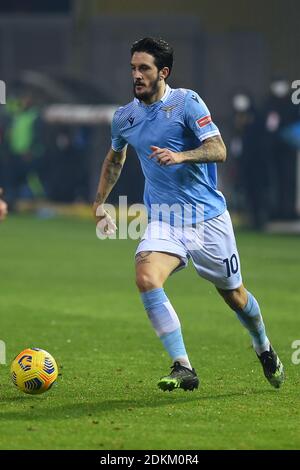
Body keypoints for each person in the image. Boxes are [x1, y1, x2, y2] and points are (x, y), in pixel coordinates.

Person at [93, 37, 284, 392]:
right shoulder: (124, 117)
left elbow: (219, 149)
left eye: (144, 68)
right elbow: (115, 157)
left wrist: (182, 155)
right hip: (164, 219)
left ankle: (264, 347)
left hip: (208, 220)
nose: (136, 75)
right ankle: (183, 365)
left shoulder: (187, 103)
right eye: (133, 68)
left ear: (163, 72)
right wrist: (100, 200)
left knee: (235, 296)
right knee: (146, 277)